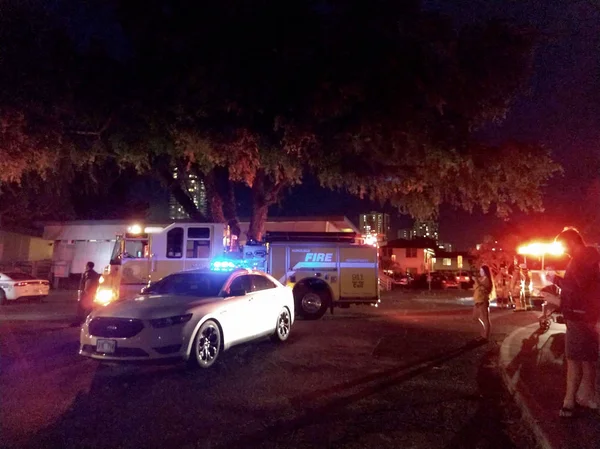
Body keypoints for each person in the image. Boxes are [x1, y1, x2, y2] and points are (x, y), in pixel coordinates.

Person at [554, 227, 600, 418]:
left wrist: (556, 280)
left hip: (578, 316)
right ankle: (589, 398)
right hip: (587, 315)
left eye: (563, 244)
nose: (563, 249)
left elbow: (580, 287)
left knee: (573, 361)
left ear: (572, 242)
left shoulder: (581, 258)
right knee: (588, 360)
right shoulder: (591, 257)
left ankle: (569, 402)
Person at [473, 264, 494, 341]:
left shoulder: (487, 279)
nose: (480, 272)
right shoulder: (482, 279)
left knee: (485, 319)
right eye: (480, 270)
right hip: (477, 300)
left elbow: (484, 289)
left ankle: (485, 336)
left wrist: (476, 280)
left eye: (482, 271)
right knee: (475, 318)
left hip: (483, 300)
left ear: (485, 271)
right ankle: (483, 333)